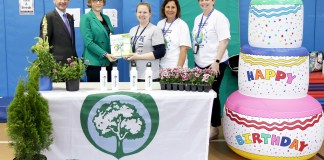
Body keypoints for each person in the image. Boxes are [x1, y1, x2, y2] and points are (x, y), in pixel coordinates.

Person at [192, 0, 230, 140]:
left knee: (212, 93)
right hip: (200, 63)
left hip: (215, 63)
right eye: (201, 0)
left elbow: (224, 41)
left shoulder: (219, 17)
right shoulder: (198, 18)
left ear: (213, 1)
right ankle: (205, 125)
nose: (204, 2)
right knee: (203, 95)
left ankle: (214, 128)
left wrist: (216, 61)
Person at [125, 2, 166, 81]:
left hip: (150, 74)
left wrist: (138, 57)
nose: (142, 14)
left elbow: (161, 52)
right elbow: (129, 50)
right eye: (139, 12)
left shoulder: (155, 30)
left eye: (145, 12)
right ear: (136, 13)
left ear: (150, 14)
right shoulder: (132, 30)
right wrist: (125, 55)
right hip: (134, 73)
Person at [80, 0, 117, 82]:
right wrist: (105, 54)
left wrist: (119, 51)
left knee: (109, 92)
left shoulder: (106, 18)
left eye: (100, 0)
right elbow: (88, 43)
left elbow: (110, 38)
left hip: (108, 61)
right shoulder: (85, 18)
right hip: (94, 62)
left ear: (103, 2)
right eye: (95, 1)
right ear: (90, 2)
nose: (98, 3)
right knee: (96, 93)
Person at [40, 0, 78, 64]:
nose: (63, 1)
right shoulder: (49, 17)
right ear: (54, 1)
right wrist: (50, 65)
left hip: (71, 64)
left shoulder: (70, 17)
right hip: (56, 64)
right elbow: (44, 42)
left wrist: (75, 60)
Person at [157, 0, 191, 69]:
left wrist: (178, 69)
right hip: (161, 66)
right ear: (164, 8)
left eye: (173, 7)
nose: (170, 10)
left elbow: (184, 49)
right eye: (168, 7)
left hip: (176, 67)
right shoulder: (160, 24)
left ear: (177, 9)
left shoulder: (182, 25)